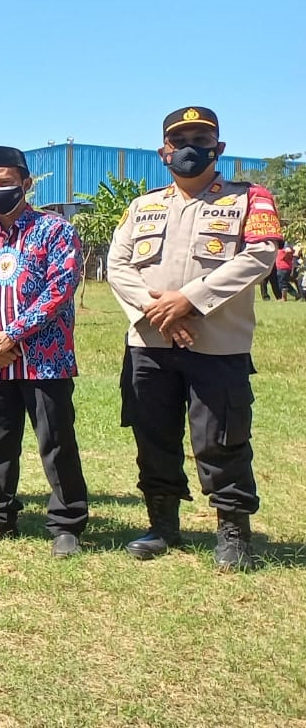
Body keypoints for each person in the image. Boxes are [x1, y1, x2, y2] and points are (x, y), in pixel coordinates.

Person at [107, 106, 281, 572]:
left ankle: (233, 532)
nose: (189, 147)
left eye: (200, 138)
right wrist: (156, 309)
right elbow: (117, 266)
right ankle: (163, 525)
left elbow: (260, 257)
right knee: (153, 435)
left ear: (218, 147)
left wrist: (189, 300)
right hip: (150, 344)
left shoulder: (250, 199)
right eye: (179, 139)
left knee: (221, 439)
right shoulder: (142, 206)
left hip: (216, 346)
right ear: (164, 150)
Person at [0, 146, 89, 557]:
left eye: (5, 182)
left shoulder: (54, 231)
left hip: (45, 360)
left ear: (26, 184)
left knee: (56, 441)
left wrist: (12, 334)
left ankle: (66, 523)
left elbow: (59, 288)